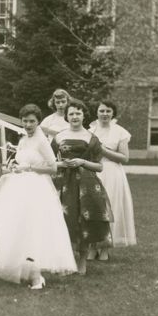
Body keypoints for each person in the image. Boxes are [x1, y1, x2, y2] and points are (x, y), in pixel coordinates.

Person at [0, 104, 76, 287]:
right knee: (17, 227)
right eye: (25, 121)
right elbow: (21, 160)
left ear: (38, 122)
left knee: (34, 228)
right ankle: (24, 270)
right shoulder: (23, 140)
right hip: (18, 186)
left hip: (37, 188)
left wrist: (29, 168)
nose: (28, 125)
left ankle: (37, 276)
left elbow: (53, 167)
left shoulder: (42, 141)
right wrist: (15, 167)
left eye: (32, 121)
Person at [52, 98, 113, 275]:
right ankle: (66, 259)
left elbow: (99, 167)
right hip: (63, 182)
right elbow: (51, 161)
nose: (74, 116)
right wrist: (61, 164)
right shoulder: (59, 137)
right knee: (64, 219)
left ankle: (82, 260)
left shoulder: (91, 138)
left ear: (83, 115)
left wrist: (82, 161)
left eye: (78, 113)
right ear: (67, 116)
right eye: (71, 113)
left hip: (86, 184)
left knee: (84, 220)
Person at [88, 99, 136, 256]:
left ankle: (104, 248)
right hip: (93, 170)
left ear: (113, 113)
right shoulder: (90, 131)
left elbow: (124, 158)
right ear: (97, 112)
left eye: (108, 111)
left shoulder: (120, 132)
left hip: (112, 172)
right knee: (94, 207)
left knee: (110, 208)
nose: (105, 114)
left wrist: (103, 150)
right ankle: (93, 245)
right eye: (102, 110)